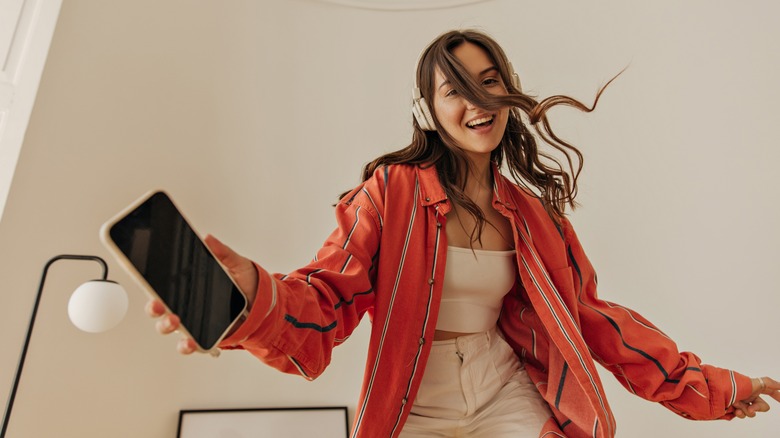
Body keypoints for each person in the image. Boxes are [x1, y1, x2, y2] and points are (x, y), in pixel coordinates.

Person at [147, 29, 779, 437]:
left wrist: (712, 387)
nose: (477, 100)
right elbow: (324, 300)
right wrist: (249, 301)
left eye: (490, 81)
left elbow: (595, 320)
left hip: (504, 387)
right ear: (428, 109)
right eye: (455, 89)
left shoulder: (532, 217)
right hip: (415, 396)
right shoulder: (390, 194)